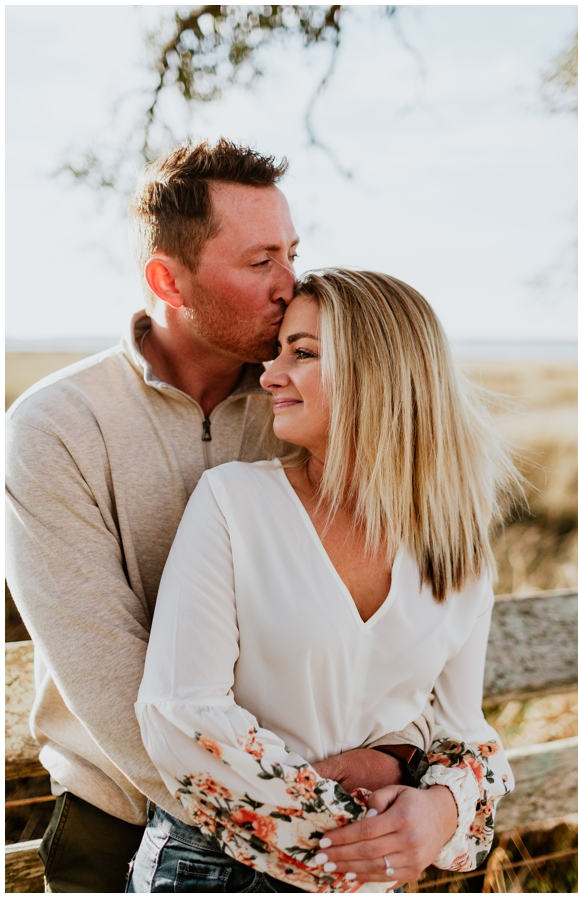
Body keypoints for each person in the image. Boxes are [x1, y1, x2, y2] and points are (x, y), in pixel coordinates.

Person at [4, 140, 427, 892]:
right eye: (260, 261)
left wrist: (399, 774)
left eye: (293, 252)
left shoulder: (302, 403)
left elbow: (397, 618)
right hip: (127, 825)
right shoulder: (56, 428)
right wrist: (292, 827)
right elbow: (107, 672)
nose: (290, 283)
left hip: (331, 816)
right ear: (169, 279)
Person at [127, 269, 518, 892]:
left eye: (302, 353)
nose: (270, 374)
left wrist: (437, 813)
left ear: (381, 372)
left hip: (374, 875)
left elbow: (463, 732)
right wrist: (354, 840)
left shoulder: (457, 547)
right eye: (277, 351)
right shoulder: (234, 502)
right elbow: (182, 714)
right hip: (217, 871)